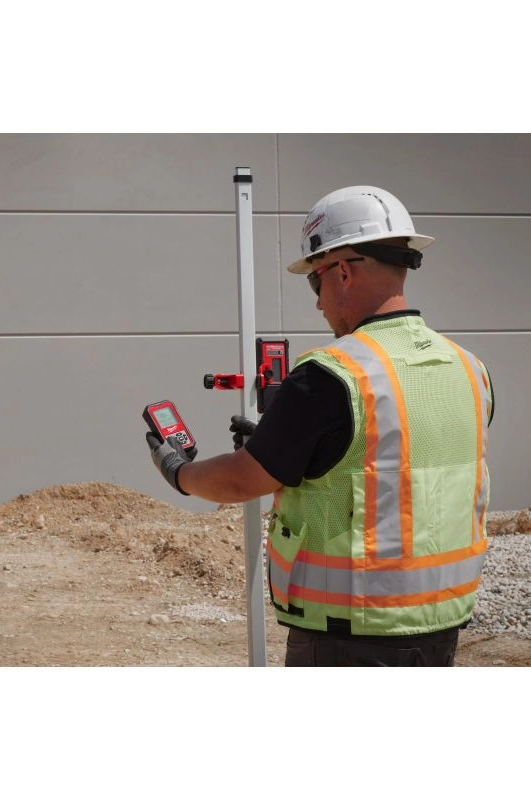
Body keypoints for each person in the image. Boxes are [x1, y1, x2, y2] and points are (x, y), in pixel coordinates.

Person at [146, 185, 494, 667]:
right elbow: (397, 456)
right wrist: (288, 445)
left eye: (315, 282)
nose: (318, 304)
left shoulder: (332, 375)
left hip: (350, 634)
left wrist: (179, 473)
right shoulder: (469, 368)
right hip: (442, 625)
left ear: (343, 271)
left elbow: (240, 481)